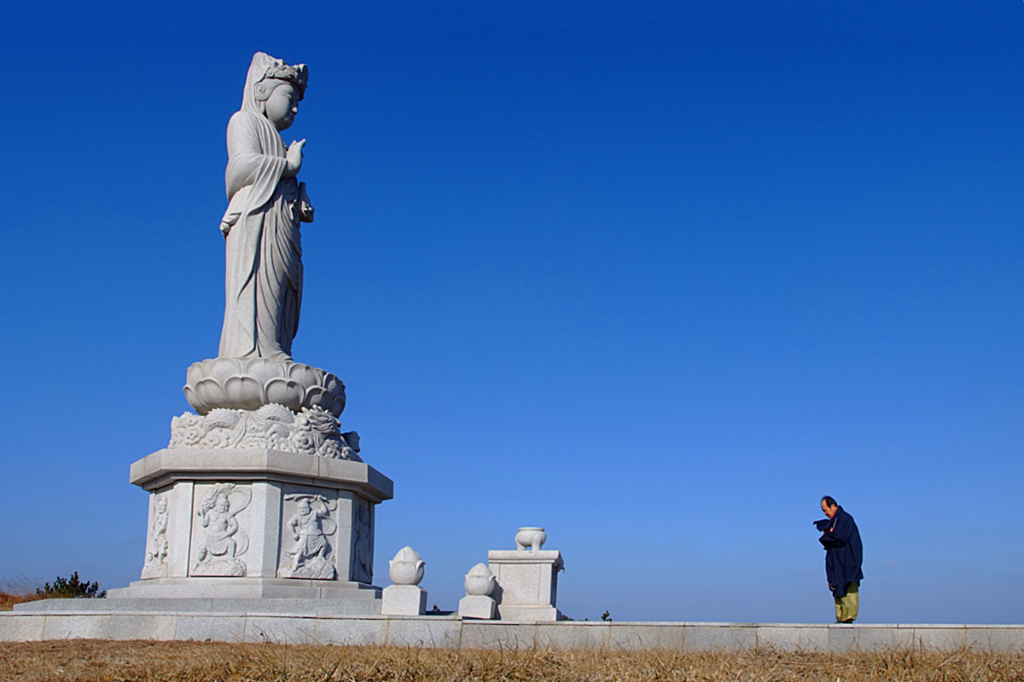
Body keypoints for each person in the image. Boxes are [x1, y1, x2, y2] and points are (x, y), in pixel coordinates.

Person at [219, 52, 314, 360]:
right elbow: (238, 170)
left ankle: (275, 347)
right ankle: (254, 351)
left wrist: (300, 198)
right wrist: (287, 167)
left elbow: (285, 178)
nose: (296, 108)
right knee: (257, 284)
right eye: (290, 96)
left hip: (282, 226)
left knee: (282, 289)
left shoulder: (282, 144)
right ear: (262, 91)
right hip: (255, 222)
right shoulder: (243, 121)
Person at [815, 495, 863, 623]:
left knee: (849, 587)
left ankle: (848, 617)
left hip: (848, 563)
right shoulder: (836, 521)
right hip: (837, 563)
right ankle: (841, 617)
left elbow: (839, 538)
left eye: (826, 510)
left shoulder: (845, 520)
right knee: (837, 587)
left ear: (833, 506)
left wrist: (827, 536)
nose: (825, 513)